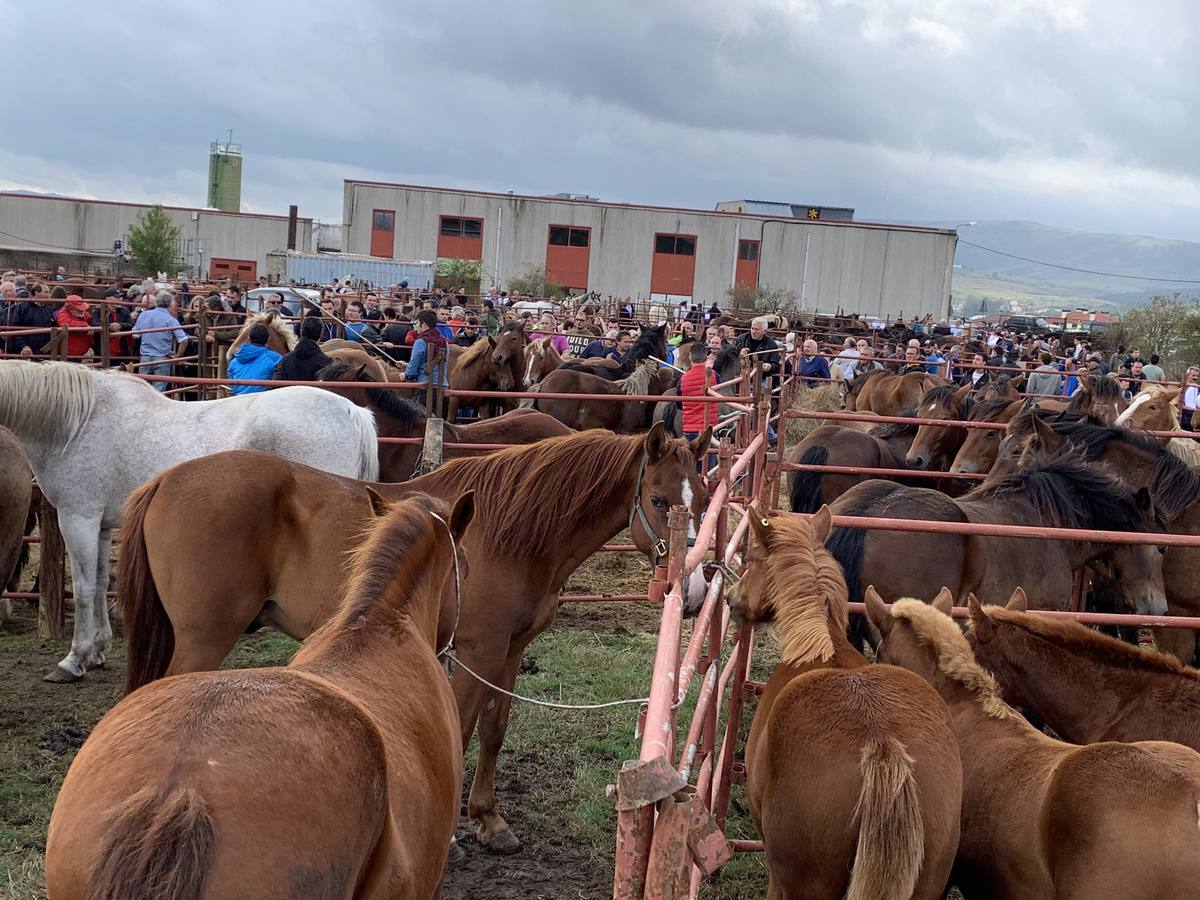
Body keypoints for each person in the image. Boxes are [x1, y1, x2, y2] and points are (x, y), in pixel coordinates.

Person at [132, 293, 189, 391]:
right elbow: (184, 340)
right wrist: (176, 357)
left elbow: (135, 335)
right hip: (162, 358)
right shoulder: (171, 320)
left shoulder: (144, 315)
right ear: (170, 304)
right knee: (159, 389)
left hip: (145, 358)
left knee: (143, 388)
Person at [679, 342, 717, 466]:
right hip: (708, 427)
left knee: (690, 465)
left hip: (689, 427)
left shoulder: (683, 378)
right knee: (707, 467)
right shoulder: (714, 375)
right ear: (706, 357)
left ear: (690, 357)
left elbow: (678, 402)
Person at [273, 314, 333, 382]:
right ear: (321, 334)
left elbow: (276, 382)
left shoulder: (285, 360)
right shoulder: (326, 362)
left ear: (301, 332)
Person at [228, 323, 283, 395]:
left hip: (238, 399)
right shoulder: (276, 358)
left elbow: (231, 382)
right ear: (268, 339)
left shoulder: (234, 361)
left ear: (249, 338)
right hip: (261, 400)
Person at [401, 308, 450, 386]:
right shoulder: (444, 342)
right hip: (442, 385)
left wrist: (406, 374)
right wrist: (407, 365)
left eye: (417, 323)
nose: (415, 327)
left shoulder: (421, 342)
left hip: (424, 385)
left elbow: (413, 366)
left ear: (424, 325)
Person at [734, 317, 780, 381]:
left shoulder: (771, 344)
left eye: (757, 330)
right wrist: (740, 354)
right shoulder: (741, 339)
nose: (753, 332)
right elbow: (732, 357)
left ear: (764, 331)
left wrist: (769, 366)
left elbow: (775, 364)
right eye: (752, 328)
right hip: (742, 376)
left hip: (761, 378)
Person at [92, 287, 132, 361]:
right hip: (102, 351)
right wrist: (111, 328)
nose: (120, 299)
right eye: (117, 297)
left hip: (121, 350)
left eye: (120, 297)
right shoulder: (98, 310)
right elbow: (94, 324)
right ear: (107, 299)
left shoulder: (124, 310)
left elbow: (131, 325)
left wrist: (120, 325)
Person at [1180, 366, 1199, 432]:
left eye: (1197, 376)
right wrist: (1193, 409)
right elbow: (1180, 404)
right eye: (1193, 375)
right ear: (1188, 375)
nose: (1195, 378)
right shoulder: (1183, 387)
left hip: (1195, 417)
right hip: (1185, 417)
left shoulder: (1197, 388)